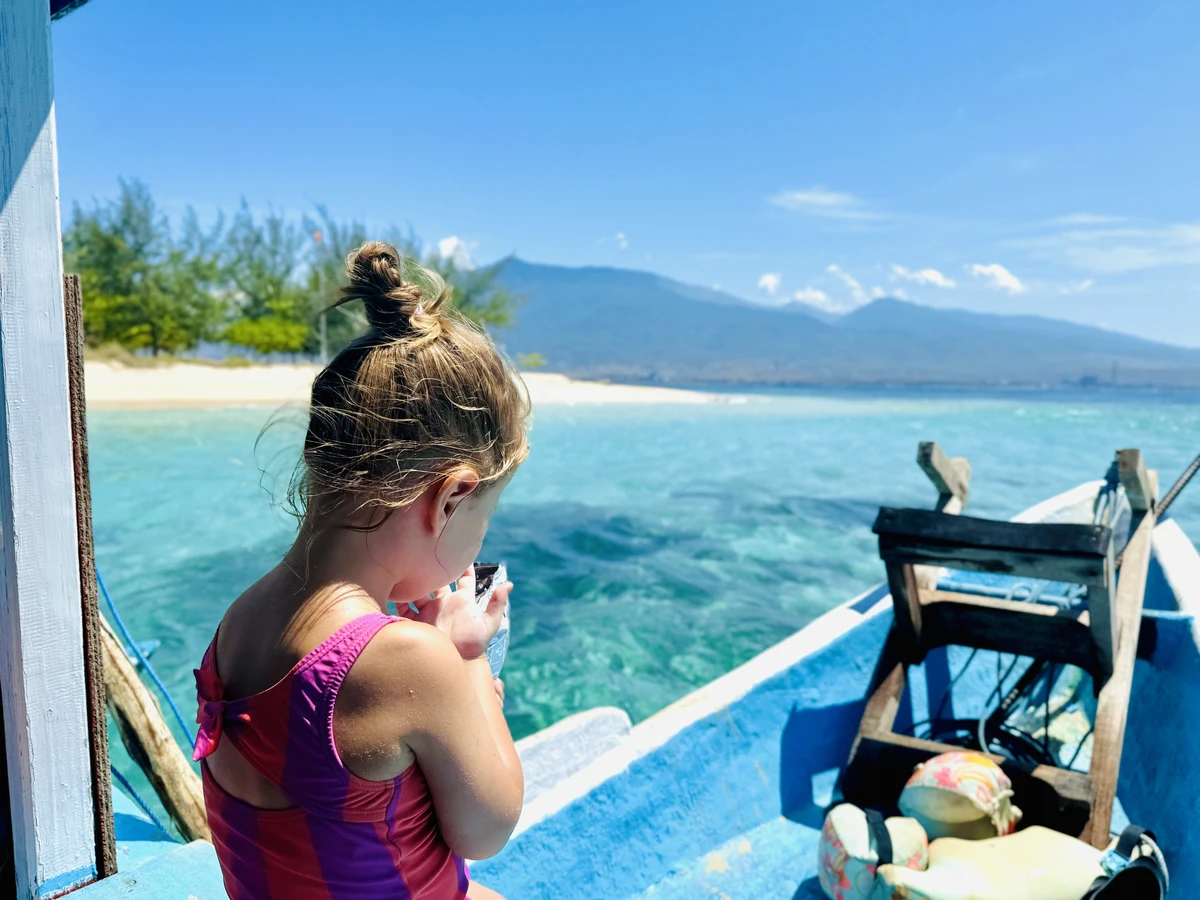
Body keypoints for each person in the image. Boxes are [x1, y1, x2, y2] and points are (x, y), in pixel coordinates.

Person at [192, 242, 529, 899]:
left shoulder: (241, 619)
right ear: (451, 498)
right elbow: (487, 830)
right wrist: (466, 661)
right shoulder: (412, 659)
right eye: (483, 520)